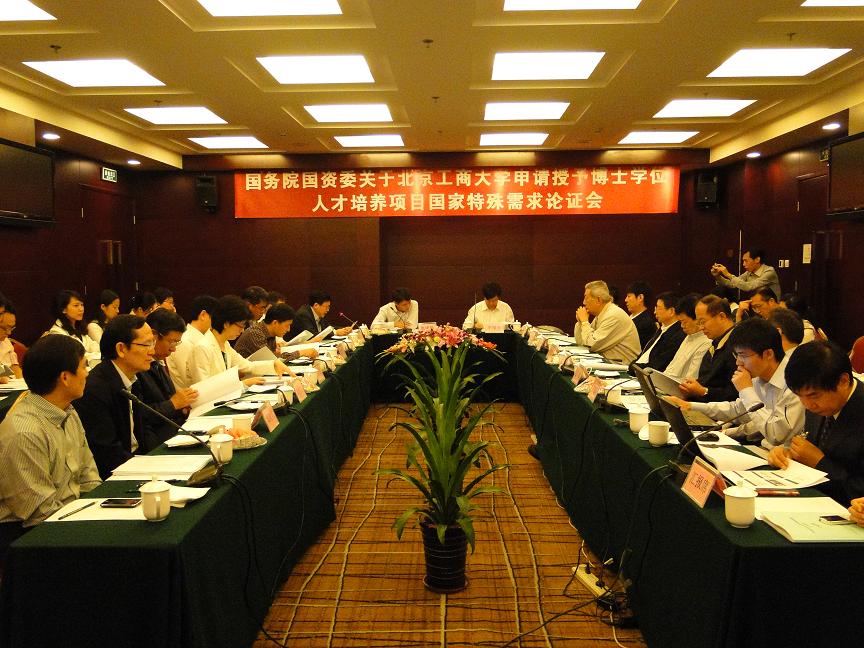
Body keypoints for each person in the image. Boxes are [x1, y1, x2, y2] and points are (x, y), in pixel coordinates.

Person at [0, 336, 101, 554]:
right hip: (28, 538)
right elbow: (39, 512)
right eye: (84, 366)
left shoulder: (68, 412)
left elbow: (89, 477)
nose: (87, 373)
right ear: (65, 377)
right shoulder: (25, 432)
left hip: (70, 517)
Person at [667, 318, 803, 448]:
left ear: (768, 354)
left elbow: (777, 435)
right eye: (736, 355)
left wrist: (746, 390)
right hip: (763, 449)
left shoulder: (794, 381)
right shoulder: (758, 375)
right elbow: (738, 410)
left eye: (743, 355)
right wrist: (689, 406)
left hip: (785, 457)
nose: (738, 362)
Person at [768, 341, 864, 504]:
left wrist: (819, 463)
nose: (807, 405)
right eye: (800, 396)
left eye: (814, 396)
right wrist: (788, 455)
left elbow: (859, 489)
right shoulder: (819, 405)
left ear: (843, 381)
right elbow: (812, 449)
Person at [74, 315, 158, 479]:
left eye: (153, 343)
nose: (152, 351)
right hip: (115, 475)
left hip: (136, 463)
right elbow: (107, 453)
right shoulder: (94, 390)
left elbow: (142, 432)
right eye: (146, 344)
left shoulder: (133, 378)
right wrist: (148, 469)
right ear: (121, 349)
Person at [189, 295, 293, 385]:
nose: (242, 330)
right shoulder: (202, 347)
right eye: (241, 325)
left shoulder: (225, 344)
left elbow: (247, 365)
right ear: (226, 324)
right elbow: (204, 388)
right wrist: (243, 384)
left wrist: (274, 364)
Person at [137, 309, 198, 444]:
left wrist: (182, 407)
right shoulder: (137, 367)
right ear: (154, 335)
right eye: (171, 342)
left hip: (173, 432)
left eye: (177, 343)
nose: (174, 348)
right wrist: (173, 404)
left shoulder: (158, 363)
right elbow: (139, 416)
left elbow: (168, 401)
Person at [679, 295, 738, 402]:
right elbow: (706, 379)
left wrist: (703, 391)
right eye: (698, 323)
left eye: (703, 322)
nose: (701, 327)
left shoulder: (737, 346)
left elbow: (736, 394)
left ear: (721, 317)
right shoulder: (715, 342)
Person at [574, 280, 640, 364]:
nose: (583, 302)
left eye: (586, 298)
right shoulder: (602, 314)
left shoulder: (613, 315)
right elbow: (582, 343)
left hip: (623, 368)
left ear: (598, 300)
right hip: (609, 364)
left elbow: (591, 345)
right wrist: (580, 322)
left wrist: (584, 322)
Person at [166, 294, 218, 390]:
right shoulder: (184, 341)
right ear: (203, 315)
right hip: (190, 395)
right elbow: (191, 380)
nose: (217, 321)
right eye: (215, 317)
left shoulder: (204, 339)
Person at [235, 303, 318, 361]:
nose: (288, 329)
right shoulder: (255, 333)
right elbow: (271, 360)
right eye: (287, 325)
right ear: (275, 323)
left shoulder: (270, 333)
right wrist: (301, 353)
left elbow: (274, 357)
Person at [632, 291, 685, 372]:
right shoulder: (662, 329)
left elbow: (657, 365)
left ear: (671, 311)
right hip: (638, 370)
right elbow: (644, 355)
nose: (655, 312)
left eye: (658, 308)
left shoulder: (677, 335)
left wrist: (634, 368)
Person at [664, 293, 711, 381]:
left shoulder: (707, 342)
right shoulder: (689, 336)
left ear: (697, 319)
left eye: (684, 322)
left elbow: (691, 379)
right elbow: (671, 367)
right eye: (680, 322)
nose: (682, 326)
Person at [711, 247, 781, 299]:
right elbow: (732, 284)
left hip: (772, 308)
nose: (743, 264)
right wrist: (718, 276)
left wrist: (727, 274)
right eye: (743, 261)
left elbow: (748, 287)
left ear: (757, 259)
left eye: (746, 261)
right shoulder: (748, 272)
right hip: (756, 306)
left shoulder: (769, 271)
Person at [46, 289, 99, 354]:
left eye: (82, 305)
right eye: (76, 305)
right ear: (64, 310)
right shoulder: (57, 332)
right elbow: (76, 356)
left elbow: (95, 347)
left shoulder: (78, 327)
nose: (81, 309)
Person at [288, 290, 353, 341]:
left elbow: (328, 327)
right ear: (316, 305)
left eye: (329, 307)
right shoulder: (303, 315)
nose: (328, 310)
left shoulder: (319, 313)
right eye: (326, 307)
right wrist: (336, 333)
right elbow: (312, 334)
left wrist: (343, 329)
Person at [624, 281, 657, 348]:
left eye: (629, 296)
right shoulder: (630, 317)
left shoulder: (645, 323)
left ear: (640, 298)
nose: (626, 300)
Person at [0, 302, 22, 379]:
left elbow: (15, 368)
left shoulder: (6, 342)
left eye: (11, 328)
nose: (9, 333)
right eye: (4, 328)